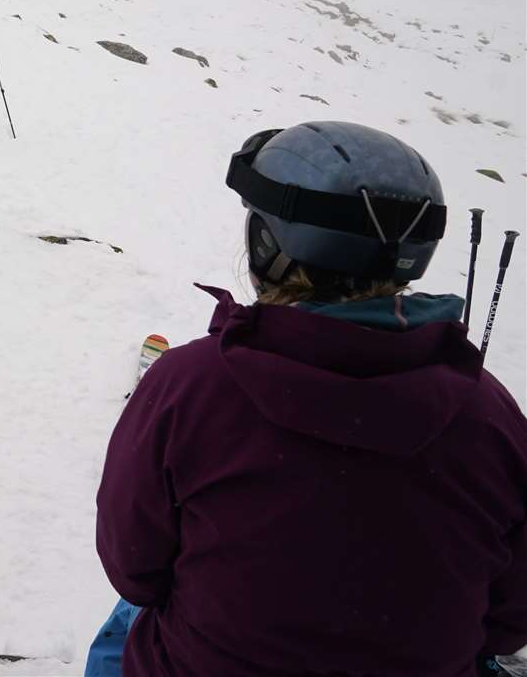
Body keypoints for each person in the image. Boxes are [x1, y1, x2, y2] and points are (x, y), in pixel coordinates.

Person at [87, 121, 527, 677]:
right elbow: (508, 620)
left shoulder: (191, 387)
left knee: (127, 620)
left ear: (267, 245)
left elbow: (134, 569)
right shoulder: (490, 415)